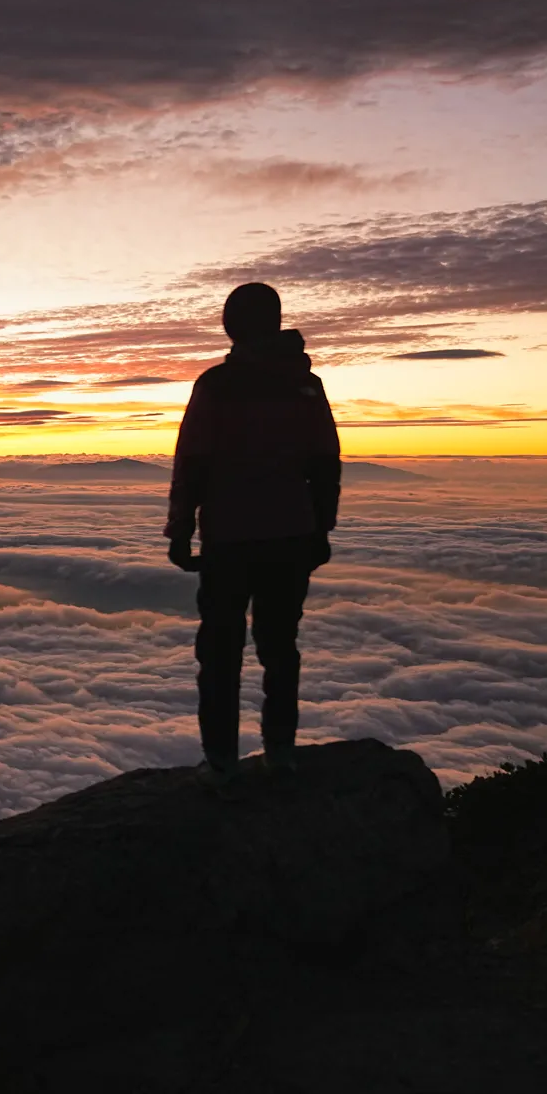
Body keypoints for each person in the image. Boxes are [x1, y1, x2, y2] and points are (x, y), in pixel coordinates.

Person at [164, 282, 340, 782]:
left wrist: (180, 529)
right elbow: (325, 463)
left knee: (220, 652)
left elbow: (193, 460)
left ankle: (221, 763)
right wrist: (320, 529)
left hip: (230, 538)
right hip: (292, 535)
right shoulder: (306, 385)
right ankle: (280, 753)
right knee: (280, 646)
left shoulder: (217, 384)